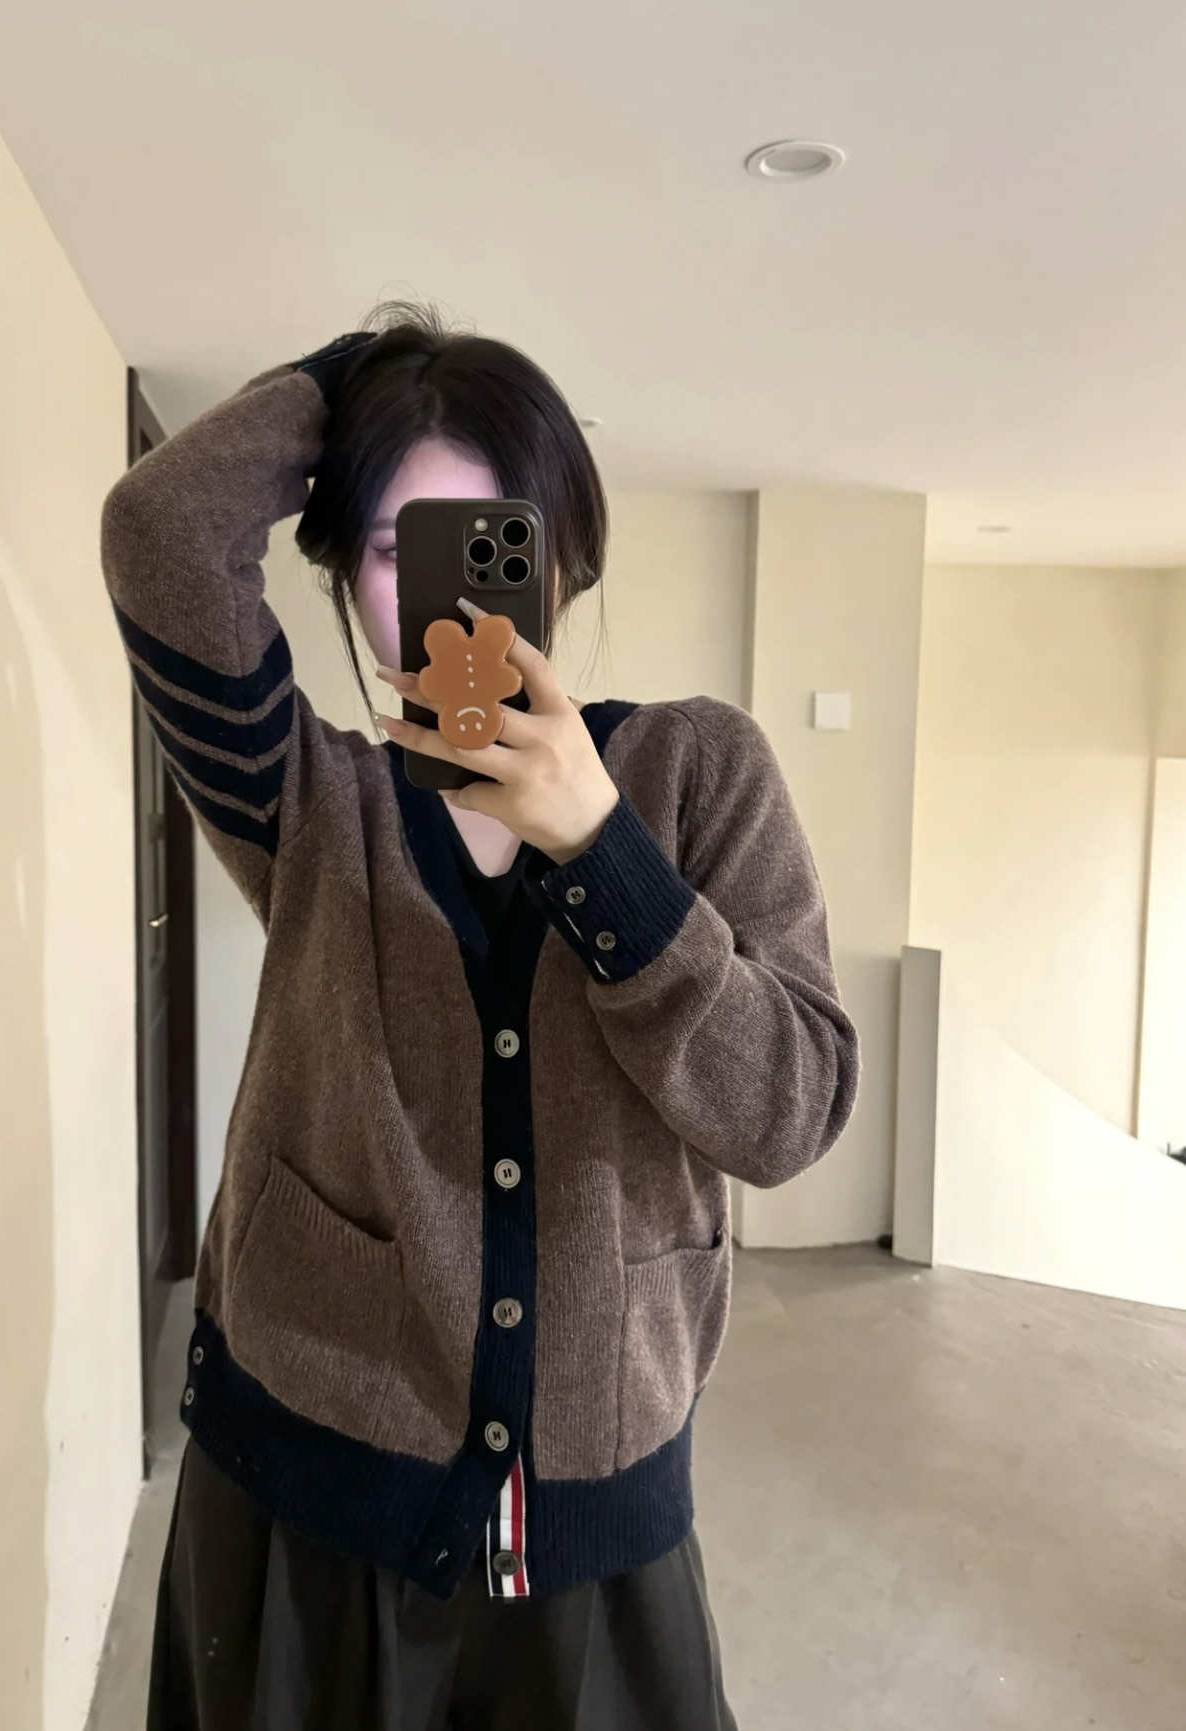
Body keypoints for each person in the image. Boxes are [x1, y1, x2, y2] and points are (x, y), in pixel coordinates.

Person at [100, 302, 860, 1731]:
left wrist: (601, 851)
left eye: (495, 539)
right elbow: (159, 527)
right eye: (399, 548)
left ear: (561, 552)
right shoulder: (308, 801)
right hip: (305, 1496)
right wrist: (366, 373)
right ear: (346, 577)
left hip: (597, 1522)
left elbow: (792, 1112)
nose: (449, 589)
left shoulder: (702, 773)